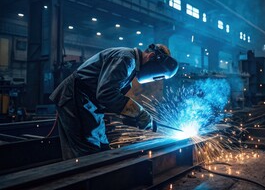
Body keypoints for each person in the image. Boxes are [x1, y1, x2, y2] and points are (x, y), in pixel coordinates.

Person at [49, 44, 178, 160]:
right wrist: (139, 113)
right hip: (75, 98)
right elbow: (106, 94)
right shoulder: (126, 60)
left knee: (102, 145)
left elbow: (109, 96)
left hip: (89, 103)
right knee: (86, 150)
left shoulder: (130, 63)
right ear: (151, 56)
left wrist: (130, 116)